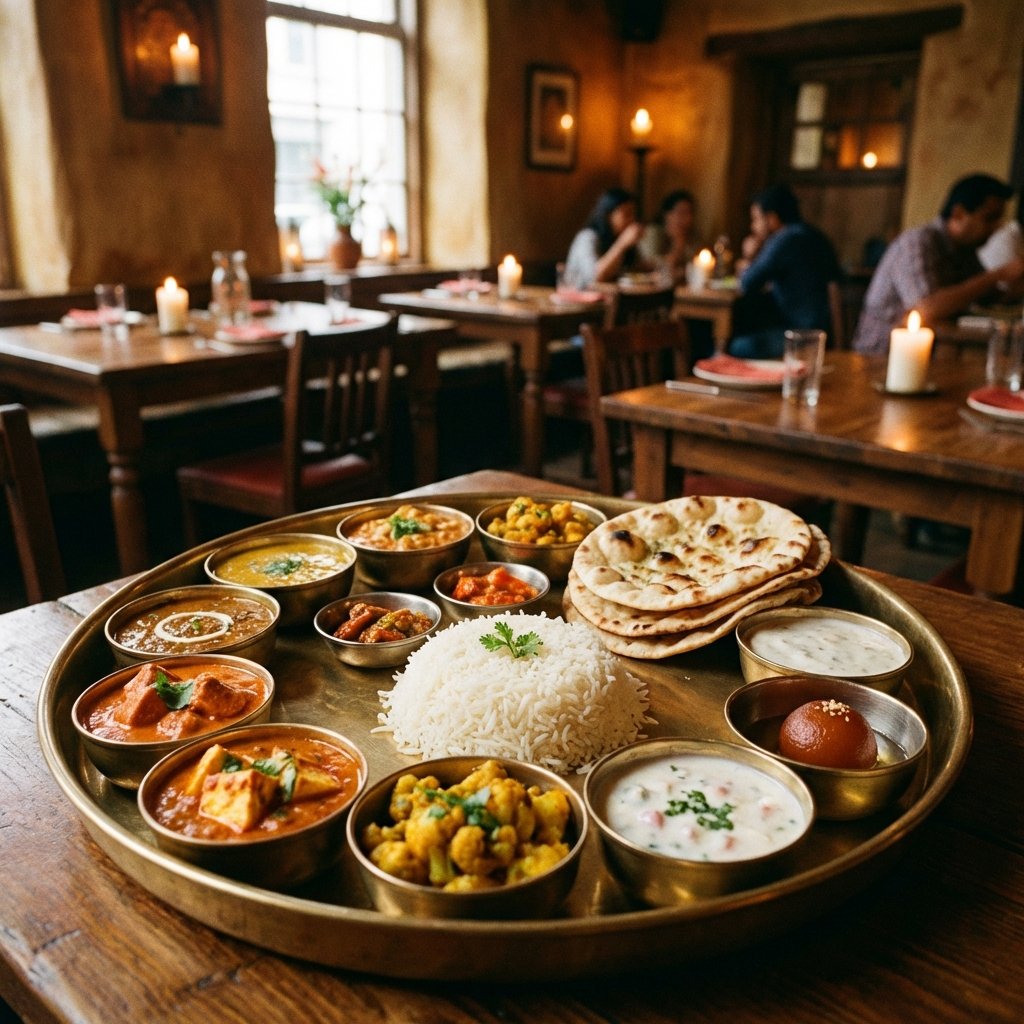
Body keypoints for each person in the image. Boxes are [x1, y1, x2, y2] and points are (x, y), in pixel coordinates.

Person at [853, 174, 1024, 353]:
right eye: (989, 218)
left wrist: (1015, 287)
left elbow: (987, 297)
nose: (996, 227)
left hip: (934, 351)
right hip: (879, 355)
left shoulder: (964, 250)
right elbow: (927, 308)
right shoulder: (917, 242)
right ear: (958, 213)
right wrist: (997, 275)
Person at [729, 184, 841, 359]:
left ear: (772, 218)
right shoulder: (814, 235)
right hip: (826, 333)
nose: (753, 227)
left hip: (802, 335)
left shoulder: (785, 240)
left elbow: (747, 283)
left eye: (756, 219)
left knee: (737, 346)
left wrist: (749, 257)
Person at [563, 187, 652, 289]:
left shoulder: (622, 238)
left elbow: (639, 269)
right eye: (627, 214)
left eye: (633, 214)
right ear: (608, 214)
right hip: (580, 299)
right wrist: (622, 244)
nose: (632, 219)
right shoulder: (587, 237)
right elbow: (595, 276)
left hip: (613, 298)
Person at [638, 188, 700, 283]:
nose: (688, 219)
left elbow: (696, 267)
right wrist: (679, 245)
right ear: (667, 215)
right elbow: (648, 266)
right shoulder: (652, 233)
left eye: (690, 213)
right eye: (681, 213)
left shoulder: (692, 237)